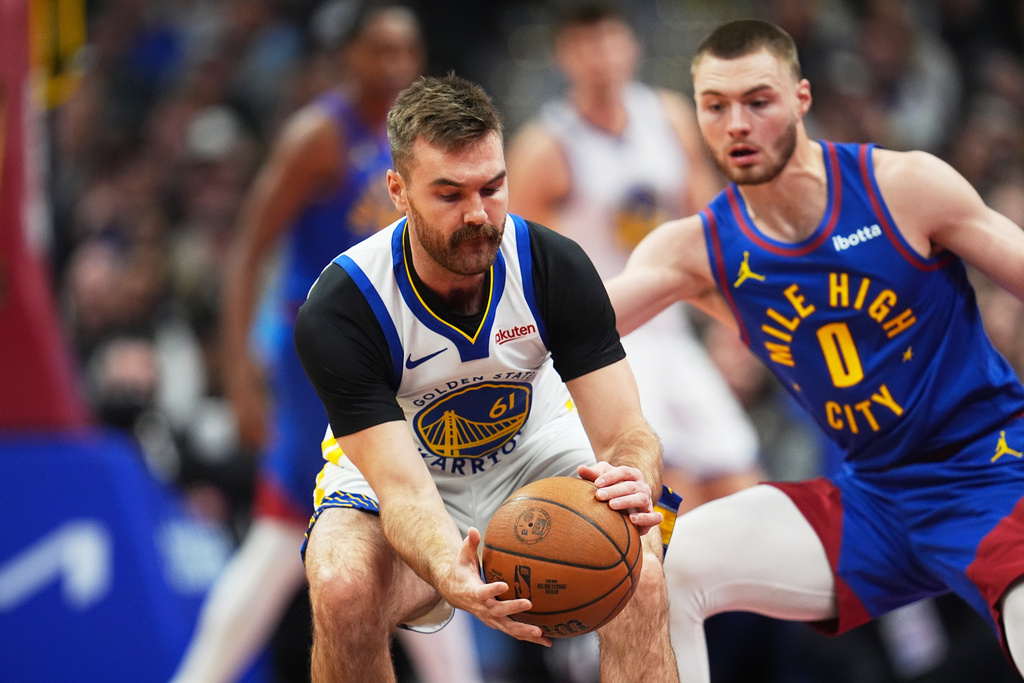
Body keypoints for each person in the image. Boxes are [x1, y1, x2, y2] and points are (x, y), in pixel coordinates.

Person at [605, 19, 1024, 683]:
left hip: (993, 475)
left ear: (801, 99)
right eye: (715, 106)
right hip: (874, 499)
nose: (735, 123)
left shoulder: (904, 185)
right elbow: (569, 329)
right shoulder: (695, 249)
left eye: (757, 101)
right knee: (662, 565)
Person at [293, 73, 680, 683]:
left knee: (642, 569)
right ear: (397, 190)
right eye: (449, 194)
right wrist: (449, 566)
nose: (477, 214)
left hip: (534, 449)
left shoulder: (552, 264)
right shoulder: (345, 305)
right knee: (342, 585)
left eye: (492, 188)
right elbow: (403, 492)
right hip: (404, 473)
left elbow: (627, 432)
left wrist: (635, 475)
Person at [170, 5, 483, 683]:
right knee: (346, 521)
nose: (399, 62)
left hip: (387, 354)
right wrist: (238, 370)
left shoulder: (412, 139)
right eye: (381, 48)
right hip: (317, 354)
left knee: (303, 534)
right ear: (347, 56)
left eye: (407, 46)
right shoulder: (320, 135)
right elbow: (249, 247)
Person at [506, 2, 761, 513]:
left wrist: (737, 325)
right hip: (609, 338)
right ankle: (669, 592)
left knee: (742, 476)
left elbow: (712, 228)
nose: (599, 56)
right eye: (585, 45)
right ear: (563, 57)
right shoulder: (544, 147)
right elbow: (517, 265)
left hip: (673, 329)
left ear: (631, 45)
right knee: (672, 488)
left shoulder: (668, 117)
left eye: (608, 40)